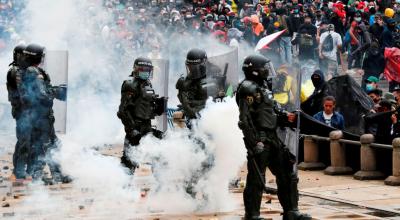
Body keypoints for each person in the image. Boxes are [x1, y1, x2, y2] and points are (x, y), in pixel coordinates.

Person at [236, 54, 311, 220]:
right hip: (260, 138)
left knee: (287, 172)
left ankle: (291, 211)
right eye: (264, 68)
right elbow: (244, 120)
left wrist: (287, 116)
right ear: (255, 71)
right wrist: (253, 142)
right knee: (256, 179)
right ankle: (252, 215)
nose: (268, 72)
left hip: (273, 136)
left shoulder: (264, 87)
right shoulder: (247, 88)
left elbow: (273, 111)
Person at [18, 44, 68, 182]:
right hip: (39, 116)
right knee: (41, 146)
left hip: (41, 116)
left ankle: (56, 174)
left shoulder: (32, 71)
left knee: (53, 145)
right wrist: (58, 92)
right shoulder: (33, 72)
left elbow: (44, 89)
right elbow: (42, 95)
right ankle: (37, 177)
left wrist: (57, 89)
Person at [117, 57, 166, 174]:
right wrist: (131, 129)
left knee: (159, 155)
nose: (145, 72)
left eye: (148, 69)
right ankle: (123, 188)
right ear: (135, 69)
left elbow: (146, 107)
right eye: (142, 69)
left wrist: (159, 106)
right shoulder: (130, 85)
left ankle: (161, 184)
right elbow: (123, 111)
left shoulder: (148, 85)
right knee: (129, 161)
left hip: (147, 126)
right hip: (135, 127)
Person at [7, 44, 28, 180]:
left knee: (23, 140)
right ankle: (18, 171)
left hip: (23, 110)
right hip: (21, 110)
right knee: (23, 140)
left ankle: (19, 170)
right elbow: (23, 93)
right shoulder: (15, 71)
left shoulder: (22, 70)